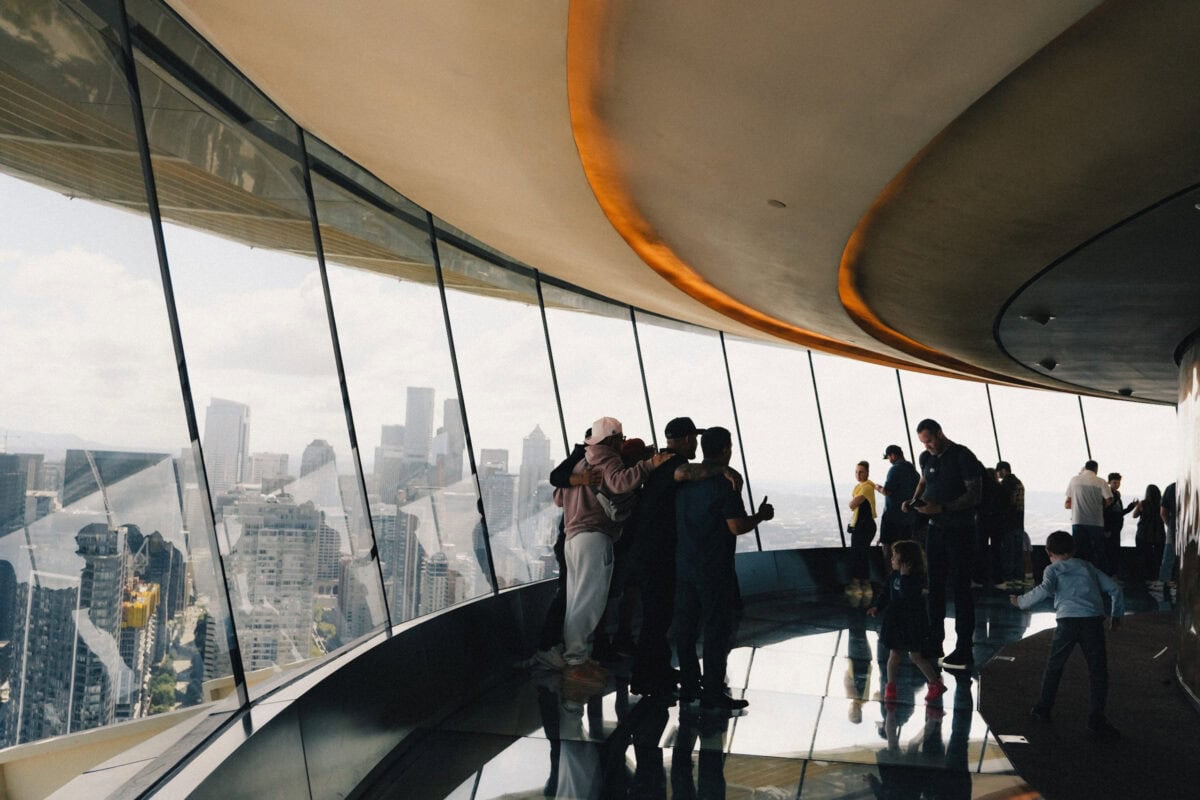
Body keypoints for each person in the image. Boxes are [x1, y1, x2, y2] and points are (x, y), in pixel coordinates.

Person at [554, 416, 669, 684]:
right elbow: (619, 483)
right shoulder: (606, 458)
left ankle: (578, 657)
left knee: (576, 600)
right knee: (589, 602)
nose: (622, 442)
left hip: (573, 537)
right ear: (613, 439)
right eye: (620, 438)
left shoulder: (581, 462)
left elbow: (558, 497)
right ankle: (575, 662)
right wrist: (649, 465)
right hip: (594, 536)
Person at [673, 426, 774, 712]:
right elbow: (736, 526)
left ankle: (690, 686)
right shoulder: (725, 483)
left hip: (684, 565)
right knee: (717, 630)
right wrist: (760, 516)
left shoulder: (685, 482)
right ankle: (713, 691)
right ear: (726, 449)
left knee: (686, 628)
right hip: (714, 567)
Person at [1010, 530, 1124, 740]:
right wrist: (1116, 615)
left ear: (1047, 551)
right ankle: (1096, 718)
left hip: (1067, 622)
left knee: (1055, 666)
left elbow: (1045, 590)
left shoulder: (1052, 569)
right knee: (1098, 670)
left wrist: (1021, 602)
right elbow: (1115, 589)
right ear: (1073, 550)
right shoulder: (1088, 566)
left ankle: (1043, 709)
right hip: (1093, 622)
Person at [627, 416, 707, 697]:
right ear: (686, 439)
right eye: (694, 438)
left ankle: (656, 669)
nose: (696, 443)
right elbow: (685, 474)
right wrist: (721, 469)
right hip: (656, 555)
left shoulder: (660, 461)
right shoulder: (671, 463)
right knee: (656, 617)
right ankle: (643, 677)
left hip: (649, 552)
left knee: (658, 616)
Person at [903, 419, 983, 672]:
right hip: (935, 530)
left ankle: (964, 648)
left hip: (960, 531)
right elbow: (924, 481)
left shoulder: (962, 456)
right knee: (935, 587)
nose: (927, 446)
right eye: (923, 442)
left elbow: (975, 494)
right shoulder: (926, 458)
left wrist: (943, 508)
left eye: (930, 440)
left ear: (940, 433)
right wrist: (915, 500)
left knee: (961, 588)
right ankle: (934, 641)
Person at [867, 540, 946, 704]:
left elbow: (907, 594)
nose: (892, 559)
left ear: (907, 562)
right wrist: (877, 607)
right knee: (894, 654)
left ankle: (934, 683)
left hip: (910, 622)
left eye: (895, 556)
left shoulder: (914, 579)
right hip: (896, 620)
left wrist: (904, 577)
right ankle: (890, 686)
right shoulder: (893, 576)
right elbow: (886, 594)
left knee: (915, 655)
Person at [875, 444, 919, 565]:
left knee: (888, 546)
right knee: (905, 549)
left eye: (889, 457)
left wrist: (878, 488)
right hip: (909, 517)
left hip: (892, 516)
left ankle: (891, 577)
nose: (889, 460)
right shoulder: (913, 470)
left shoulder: (895, 469)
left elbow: (887, 491)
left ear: (893, 455)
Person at [1064, 460, 1113, 567]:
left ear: (1085, 468)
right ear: (1096, 469)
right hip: (1096, 521)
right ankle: (1099, 574)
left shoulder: (1074, 480)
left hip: (1078, 520)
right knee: (1098, 550)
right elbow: (1109, 499)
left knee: (1078, 549)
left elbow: (1068, 501)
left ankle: (1078, 574)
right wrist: (1100, 507)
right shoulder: (1101, 481)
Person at [847, 460, 877, 597]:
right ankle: (861, 583)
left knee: (860, 554)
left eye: (861, 472)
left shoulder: (866, 487)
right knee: (858, 554)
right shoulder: (859, 487)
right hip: (860, 525)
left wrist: (852, 503)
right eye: (856, 472)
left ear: (867, 473)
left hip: (865, 526)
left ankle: (863, 584)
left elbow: (853, 504)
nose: (858, 475)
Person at [994, 461, 1026, 589]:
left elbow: (1004, 505)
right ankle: (1019, 578)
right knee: (1018, 551)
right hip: (1019, 522)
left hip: (1008, 523)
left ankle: (1009, 578)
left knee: (1008, 552)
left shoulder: (1005, 484)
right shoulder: (1019, 483)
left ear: (1002, 470)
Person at [1101, 472, 1135, 578]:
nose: (1117, 485)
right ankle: (1109, 573)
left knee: (1114, 551)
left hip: (1115, 528)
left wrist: (1129, 508)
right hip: (1110, 528)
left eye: (1118, 483)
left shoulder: (1116, 495)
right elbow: (1106, 513)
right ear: (1109, 483)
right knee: (1110, 551)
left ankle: (1112, 573)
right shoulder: (1108, 496)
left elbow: (1117, 513)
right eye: (1114, 483)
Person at [1132, 484, 1164, 584]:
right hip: (1157, 534)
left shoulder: (1143, 503)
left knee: (1142, 555)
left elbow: (1134, 515)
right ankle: (1155, 575)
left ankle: (1143, 576)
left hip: (1143, 533)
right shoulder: (1161, 504)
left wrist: (1136, 506)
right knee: (1157, 556)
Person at [1155, 481, 1178, 591]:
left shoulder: (1171, 488)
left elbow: (1163, 512)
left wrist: (1170, 525)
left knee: (1168, 556)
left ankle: (1164, 583)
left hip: (1173, 526)